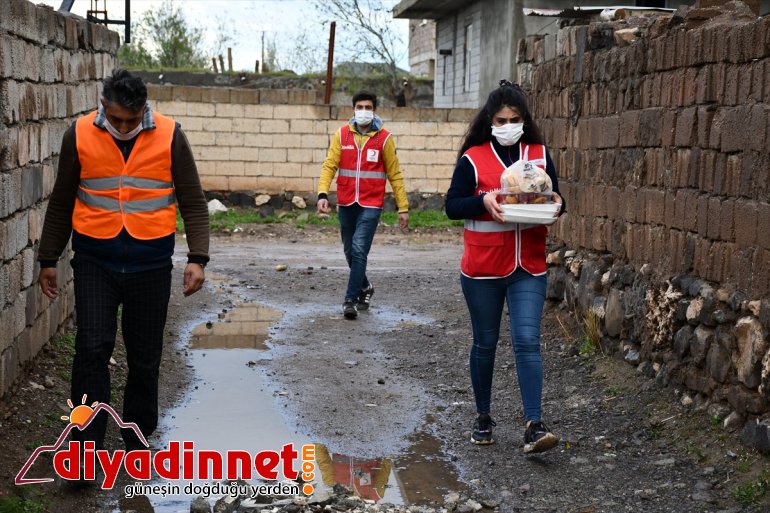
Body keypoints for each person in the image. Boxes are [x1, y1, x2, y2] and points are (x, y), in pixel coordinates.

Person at [37, 69, 210, 453]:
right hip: (95, 261)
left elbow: (193, 201)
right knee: (91, 349)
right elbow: (62, 200)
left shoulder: (169, 135)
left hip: (150, 263)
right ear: (103, 106)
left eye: (132, 120)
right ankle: (83, 448)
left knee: (145, 358)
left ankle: (135, 437)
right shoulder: (79, 134)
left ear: (144, 109)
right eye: (116, 119)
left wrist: (197, 257)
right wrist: (48, 257)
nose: (124, 127)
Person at [445, 80, 565, 453]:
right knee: (485, 343)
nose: (508, 125)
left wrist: (557, 202)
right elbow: (452, 206)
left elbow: (558, 198)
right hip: (482, 268)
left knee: (527, 341)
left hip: (527, 265)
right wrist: (484, 200)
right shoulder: (473, 158)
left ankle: (534, 424)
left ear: (524, 121)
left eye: (515, 119)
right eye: (501, 119)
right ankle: (483, 417)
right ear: (490, 121)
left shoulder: (540, 155)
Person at [317, 91, 409, 320]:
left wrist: (403, 207)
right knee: (350, 251)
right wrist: (322, 194)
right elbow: (329, 165)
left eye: (368, 106)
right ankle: (366, 287)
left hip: (371, 204)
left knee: (359, 249)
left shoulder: (384, 138)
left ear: (374, 109)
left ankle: (350, 300)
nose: (363, 111)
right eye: (359, 106)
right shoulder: (342, 135)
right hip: (347, 201)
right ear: (353, 109)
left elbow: (395, 174)